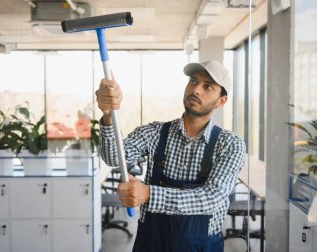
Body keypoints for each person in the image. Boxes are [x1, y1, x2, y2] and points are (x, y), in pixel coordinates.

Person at [96, 60, 246, 252]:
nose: (196, 90)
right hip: (151, 243)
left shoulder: (230, 144)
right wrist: (108, 115)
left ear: (221, 101)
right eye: (193, 81)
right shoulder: (155, 132)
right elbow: (114, 159)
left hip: (200, 246)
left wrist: (149, 194)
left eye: (208, 86)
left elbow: (212, 197)